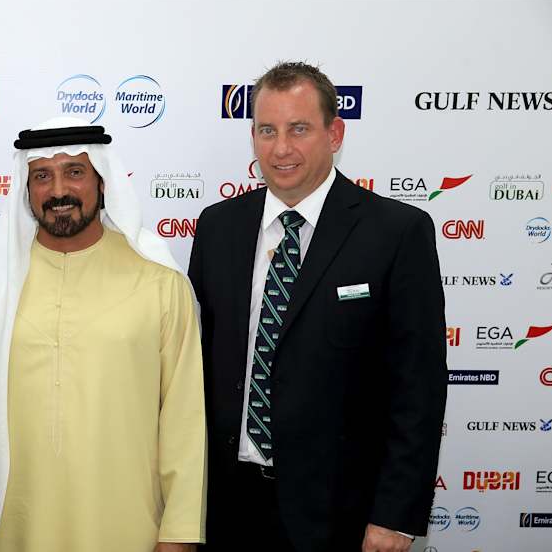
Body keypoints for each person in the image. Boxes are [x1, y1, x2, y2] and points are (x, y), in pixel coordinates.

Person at [0, 117, 206, 551]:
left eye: (75, 172)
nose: (58, 190)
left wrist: (179, 533)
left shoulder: (159, 281)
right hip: (9, 529)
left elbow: (184, 418)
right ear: (26, 188)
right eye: (42, 176)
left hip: (124, 528)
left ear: (102, 181)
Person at [188, 62, 446, 552]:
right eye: (267, 130)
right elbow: (198, 365)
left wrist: (395, 517)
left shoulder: (396, 232)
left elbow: (419, 388)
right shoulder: (218, 226)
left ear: (335, 134)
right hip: (228, 507)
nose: (280, 148)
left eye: (299, 129)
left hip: (342, 515)